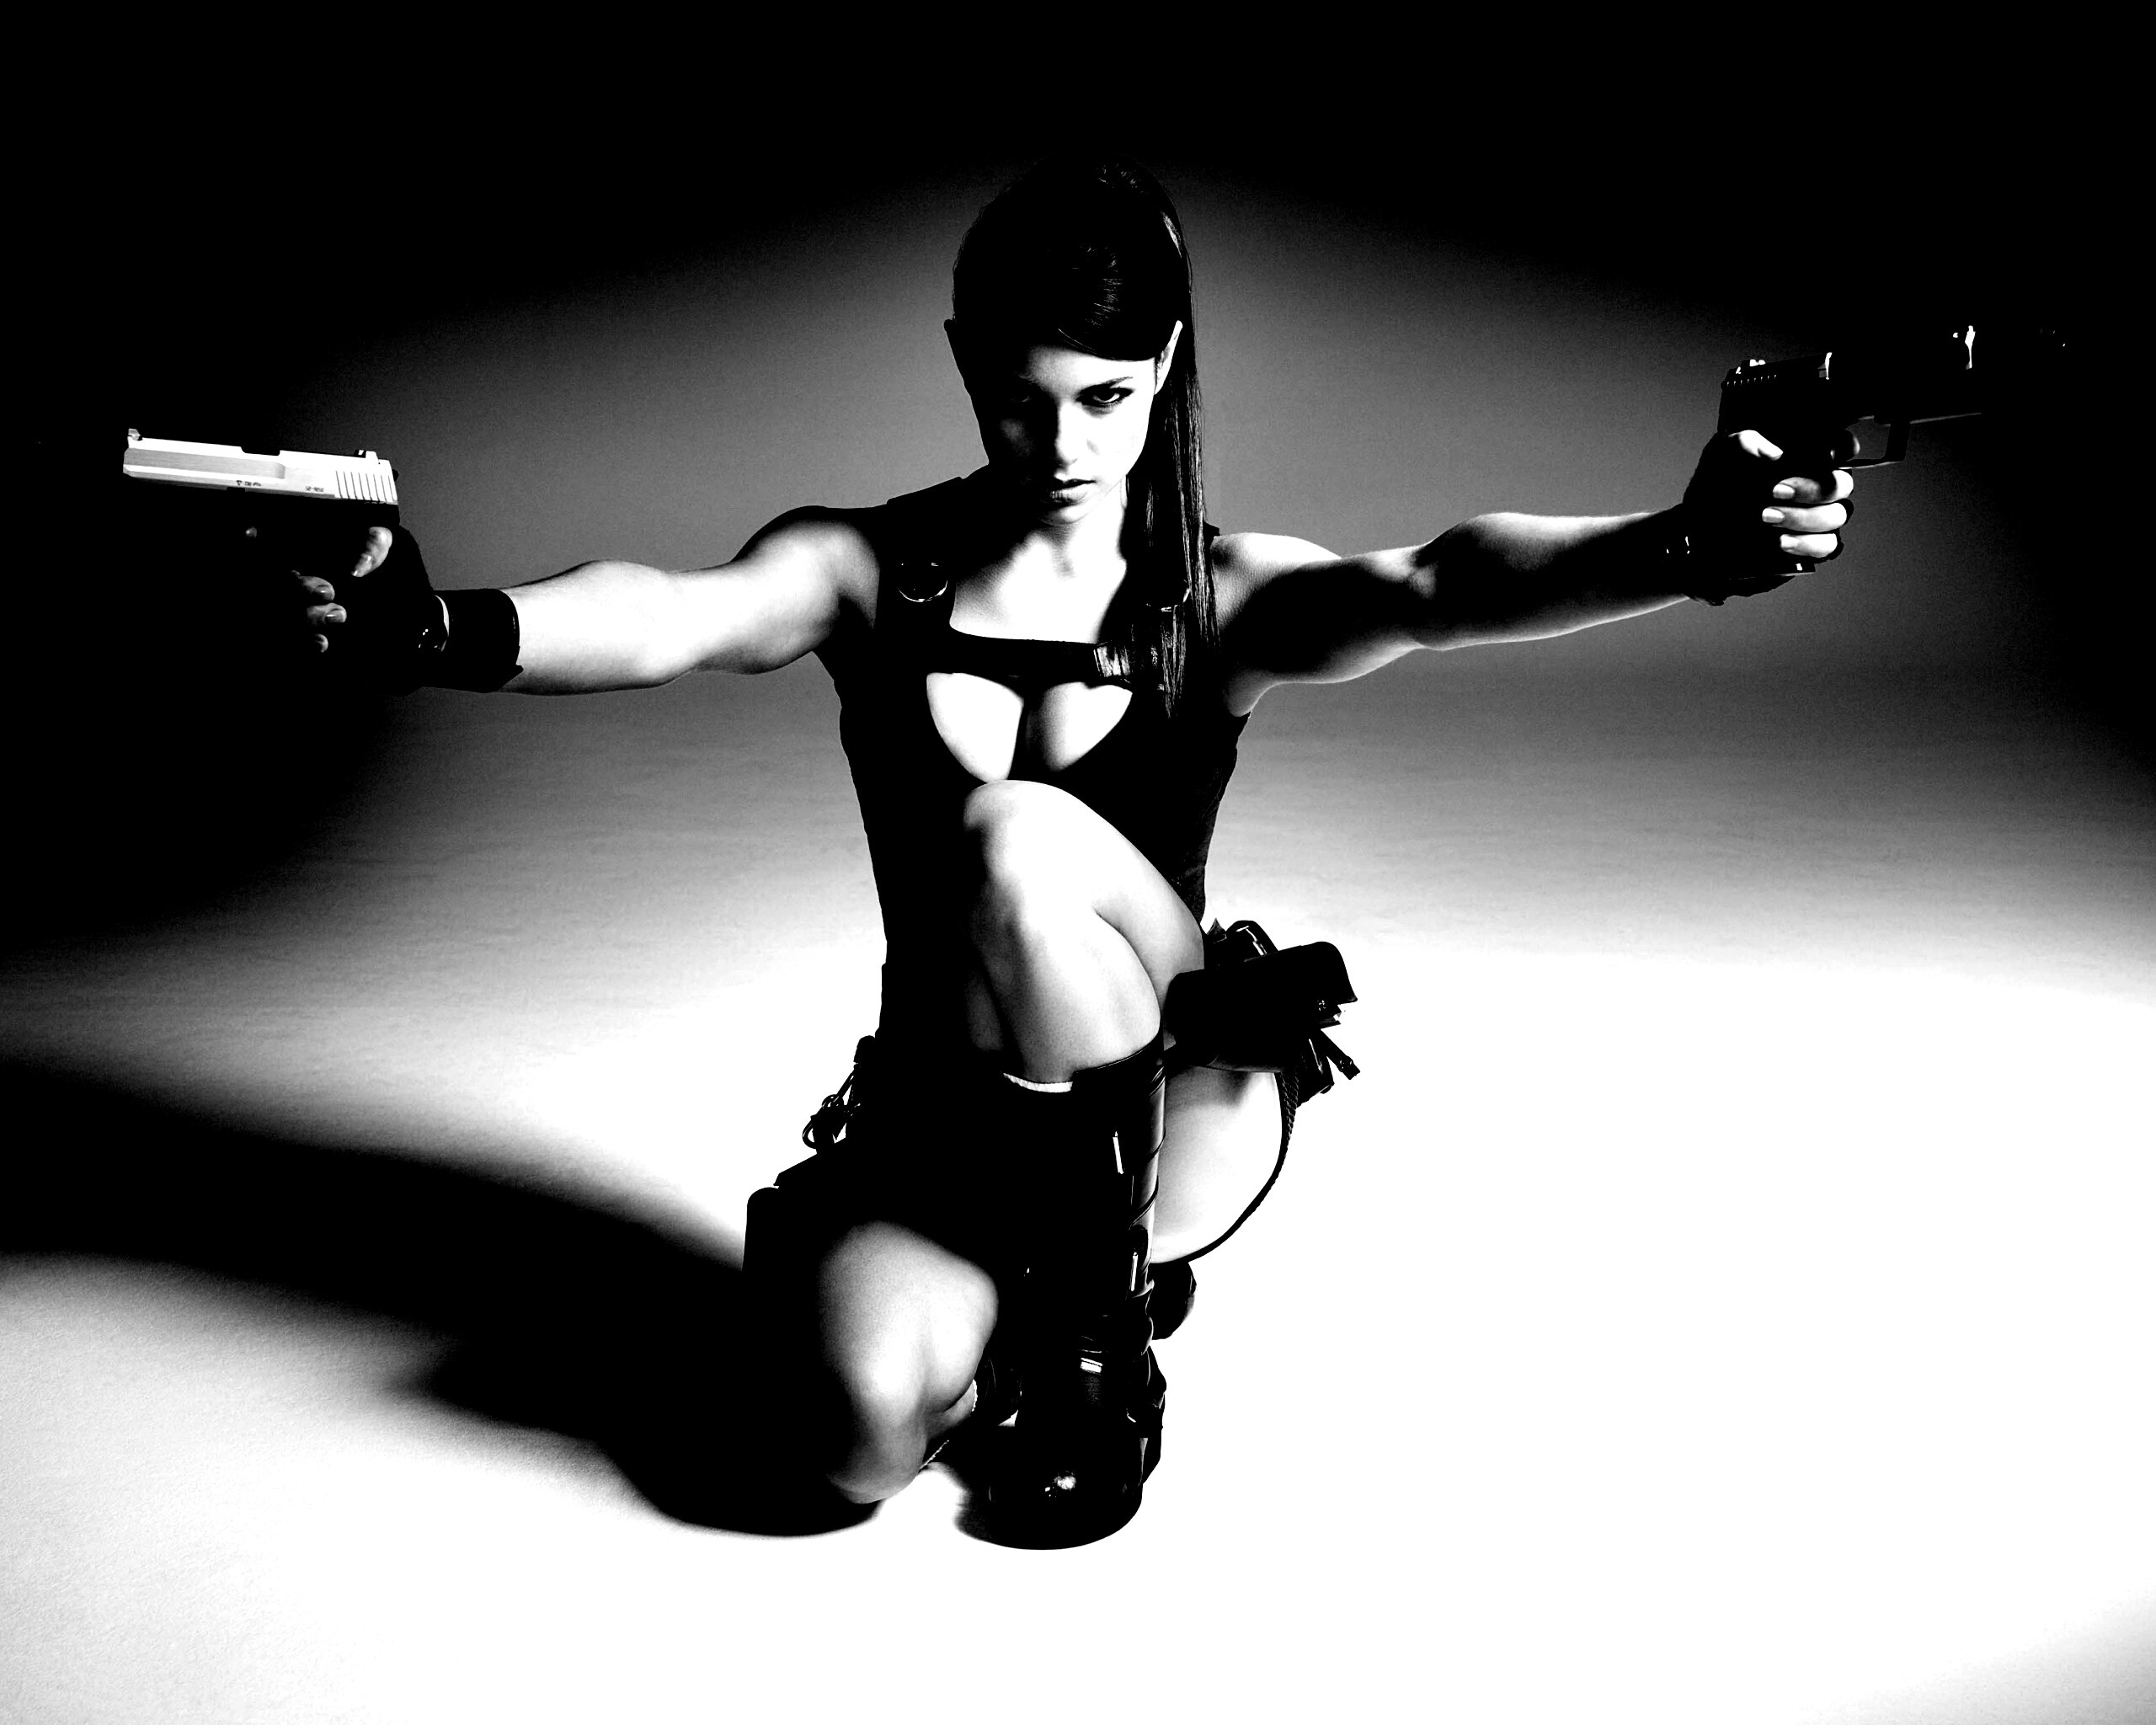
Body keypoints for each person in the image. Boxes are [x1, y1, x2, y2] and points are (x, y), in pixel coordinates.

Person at [294, 157, 1854, 1547]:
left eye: (1105, 399)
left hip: (1168, 1105)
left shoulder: (1216, 595)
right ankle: (1013, 1325)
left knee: (1018, 834)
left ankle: (1098, 1341)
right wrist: (431, 629)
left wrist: (1691, 547)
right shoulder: (866, 569)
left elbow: (1443, 584)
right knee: (847, 1449)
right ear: (967, 364)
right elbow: (666, 615)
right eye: (1021, 398)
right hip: (950, 1128)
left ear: (1162, 367)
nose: (1059, 442)